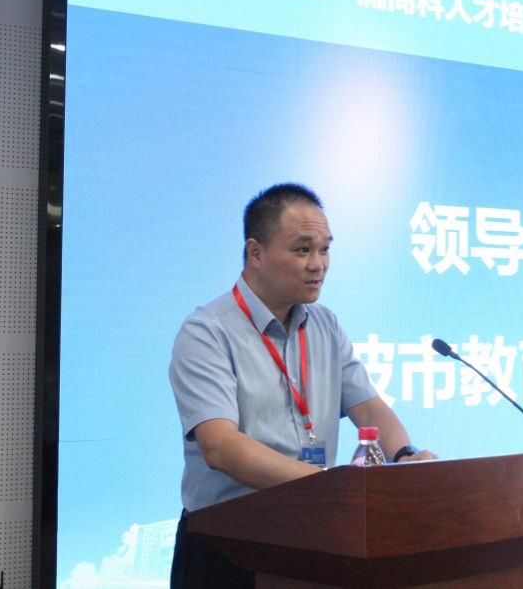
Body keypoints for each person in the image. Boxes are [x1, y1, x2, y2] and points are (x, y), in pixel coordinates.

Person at [169, 183, 436, 587]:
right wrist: (328, 486)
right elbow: (220, 446)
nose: (318, 264)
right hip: (228, 545)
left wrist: (403, 459)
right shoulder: (208, 332)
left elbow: (368, 407)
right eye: (302, 250)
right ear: (256, 253)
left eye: (325, 250)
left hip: (313, 537)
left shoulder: (324, 324)